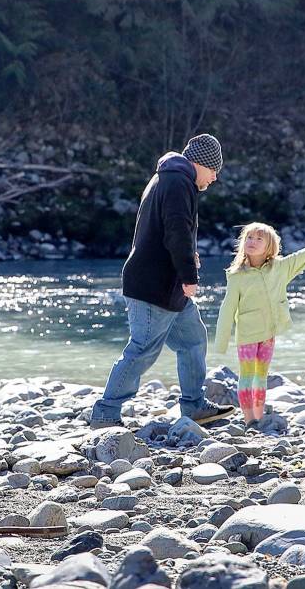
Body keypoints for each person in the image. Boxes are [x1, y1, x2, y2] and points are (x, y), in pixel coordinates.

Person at [90, 134, 235, 429]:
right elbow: (176, 231)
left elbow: (166, 232)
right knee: (142, 350)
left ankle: (194, 405)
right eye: (214, 169)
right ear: (201, 163)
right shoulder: (177, 182)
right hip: (153, 286)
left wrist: (187, 258)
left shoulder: (172, 179)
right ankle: (105, 413)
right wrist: (188, 276)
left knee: (193, 339)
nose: (215, 177)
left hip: (165, 286)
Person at [214, 223, 305, 424]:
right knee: (247, 376)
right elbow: (227, 308)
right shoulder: (236, 276)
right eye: (249, 238)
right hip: (248, 334)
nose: (253, 242)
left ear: (270, 247)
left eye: (259, 239)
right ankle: (249, 419)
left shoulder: (280, 268)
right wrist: (221, 341)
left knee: (261, 376)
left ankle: (259, 417)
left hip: (269, 332)